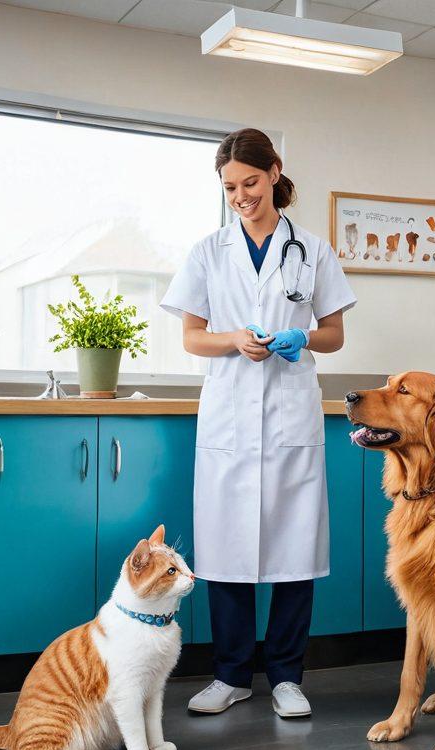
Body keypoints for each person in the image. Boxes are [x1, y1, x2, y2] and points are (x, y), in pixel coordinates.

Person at [160, 128, 355, 718]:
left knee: (295, 547)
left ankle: (288, 677)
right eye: (230, 188)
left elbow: (334, 334)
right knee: (225, 549)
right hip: (229, 414)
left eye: (250, 182)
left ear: (274, 172)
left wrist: (301, 336)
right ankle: (231, 676)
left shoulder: (312, 249)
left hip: (290, 413)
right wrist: (233, 340)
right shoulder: (207, 251)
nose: (241, 196)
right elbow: (192, 337)